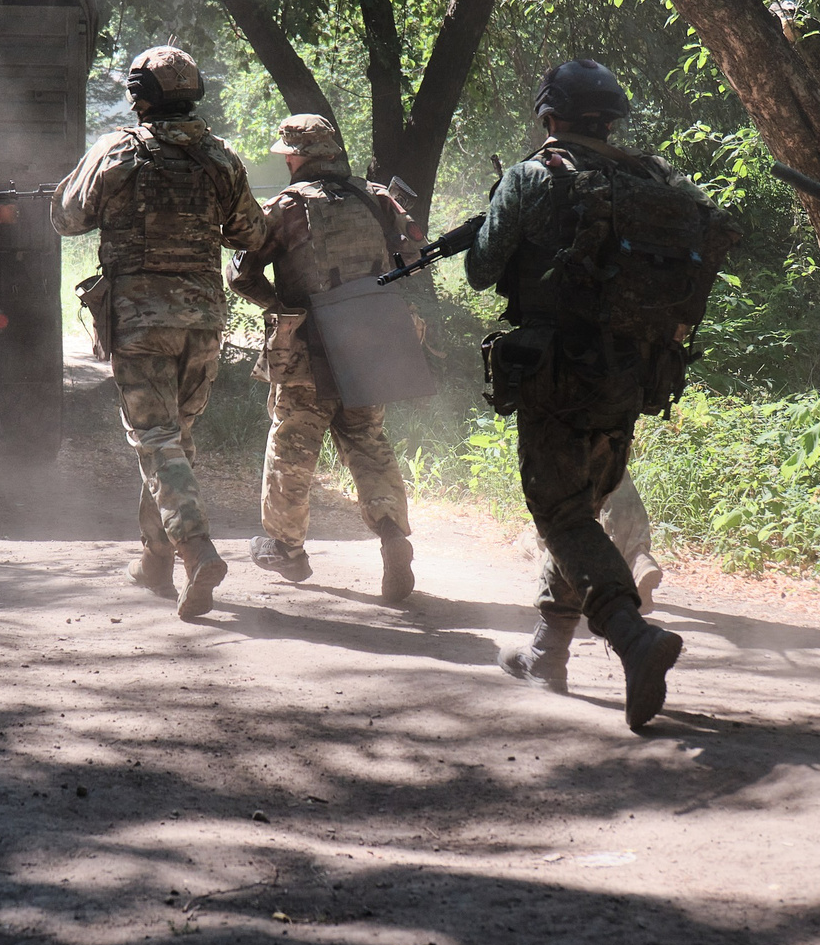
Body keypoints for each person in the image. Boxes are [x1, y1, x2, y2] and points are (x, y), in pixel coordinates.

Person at [473, 60, 736, 730]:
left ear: (549, 117)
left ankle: (631, 634)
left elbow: (482, 269)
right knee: (584, 506)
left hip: (559, 366)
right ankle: (547, 649)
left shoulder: (534, 175)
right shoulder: (657, 179)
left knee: (561, 512)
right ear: (612, 117)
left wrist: (498, 219)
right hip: (637, 369)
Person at [54, 46, 267, 619]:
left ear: (139, 97)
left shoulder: (118, 150)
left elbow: (68, 218)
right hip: (202, 323)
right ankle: (156, 560)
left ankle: (196, 549)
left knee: (156, 441)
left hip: (142, 322)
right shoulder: (220, 157)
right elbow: (250, 231)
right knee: (175, 441)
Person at [226, 114, 425, 601]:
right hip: (372, 339)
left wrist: (280, 306)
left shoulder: (285, 207)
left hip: (308, 344)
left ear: (302, 157)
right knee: (366, 438)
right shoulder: (376, 197)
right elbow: (412, 256)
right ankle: (392, 533)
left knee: (293, 445)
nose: (287, 160)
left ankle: (285, 549)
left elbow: (241, 275)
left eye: (288, 154)